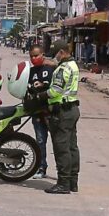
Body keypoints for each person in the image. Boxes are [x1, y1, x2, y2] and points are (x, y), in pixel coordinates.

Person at [36, 39, 80, 194]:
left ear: (62, 52)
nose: (55, 57)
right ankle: (73, 182)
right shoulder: (73, 65)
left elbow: (55, 91)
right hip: (72, 108)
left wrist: (41, 96)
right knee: (71, 146)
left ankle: (63, 183)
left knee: (62, 148)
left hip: (62, 111)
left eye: (56, 54)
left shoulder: (63, 69)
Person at [28, 45, 54, 179]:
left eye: (36, 55)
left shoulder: (51, 69)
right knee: (40, 140)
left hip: (51, 111)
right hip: (37, 111)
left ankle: (64, 171)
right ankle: (41, 167)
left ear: (42, 54)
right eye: (31, 56)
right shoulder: (30, 72)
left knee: (57, 141)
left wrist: (43, 85)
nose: (33, 58)